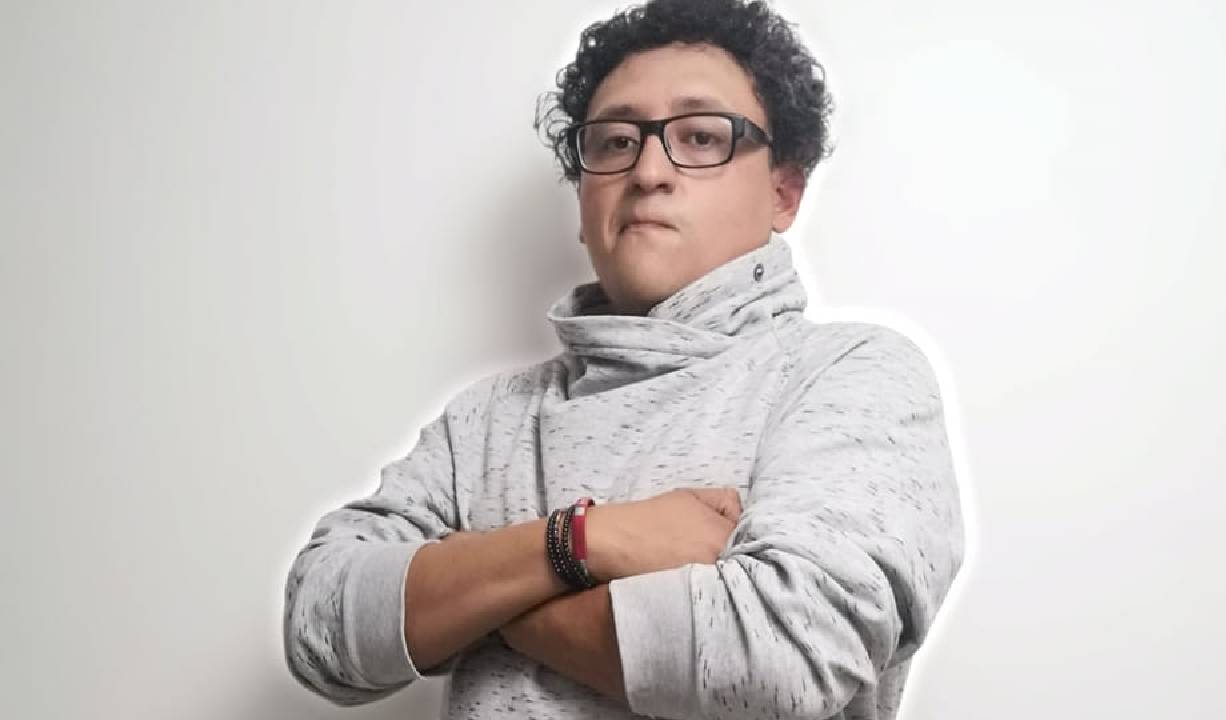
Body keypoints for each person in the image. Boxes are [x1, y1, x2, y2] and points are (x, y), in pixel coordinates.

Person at [282, 1, 966, 718]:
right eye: (614, 142)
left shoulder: (851, 375)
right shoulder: (485, 421)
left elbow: (781, 656)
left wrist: (475, 585)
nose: (647, 170)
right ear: (583, 201)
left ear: (783, 192)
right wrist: (583, 540)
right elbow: (321, 628)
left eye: (701, 136)